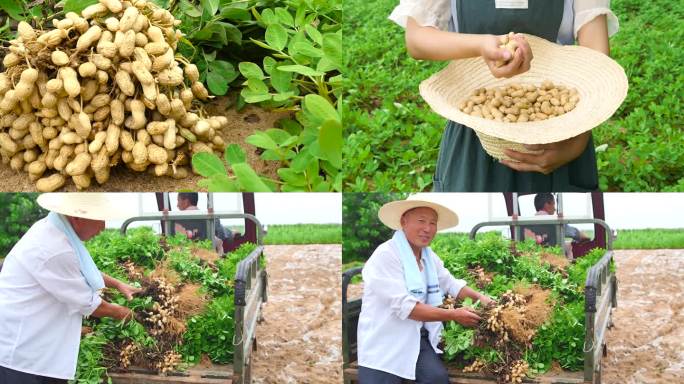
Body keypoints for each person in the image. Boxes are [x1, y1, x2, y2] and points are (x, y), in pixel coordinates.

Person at [389, 0, 619, 191]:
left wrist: (576, 142)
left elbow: (596, 57)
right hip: (475, 133)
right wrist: (481, 45)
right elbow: (417, 39)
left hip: (565, 131)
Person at [0, 193, 141, 384]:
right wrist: (127, 314)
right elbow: (90, 305)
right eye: (100, 219)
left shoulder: (55, 229)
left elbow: (78, 268)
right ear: (77, 217)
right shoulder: (52, 247)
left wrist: (117, 284)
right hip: (24, 356)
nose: (103, 227)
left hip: (41, 345)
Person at [357, 194, 494, 383]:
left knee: (436, 379)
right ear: (403, 222)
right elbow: (407, 307)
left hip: (416, 339)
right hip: (384, 344)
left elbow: (451, 283)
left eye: (433, 223)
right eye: (421, 221)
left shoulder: (429, 257)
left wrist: (481, 298)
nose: (427, 229)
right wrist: (453, 314)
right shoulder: (385, 255)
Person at [524, 193, 590, 259]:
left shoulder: (526, 224)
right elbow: (581, 236)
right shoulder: (556, 223)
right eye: (553, 204)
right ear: (547, 205)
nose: (555, 209)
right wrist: (585, 238)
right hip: (556, 263)